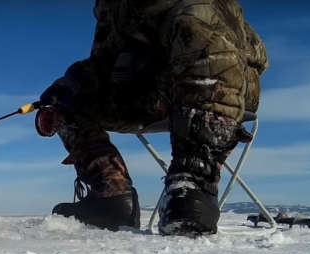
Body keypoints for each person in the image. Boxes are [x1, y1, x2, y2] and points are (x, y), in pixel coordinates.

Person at [35, 0, 268, 236]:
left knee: (196, 23)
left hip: (225, 81)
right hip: (149, 87)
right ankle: (111, 198)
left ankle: (192, 184)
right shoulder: (111, 10)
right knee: (65, 96)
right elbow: (108, 57)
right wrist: (74, 81)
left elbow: (214, 39)